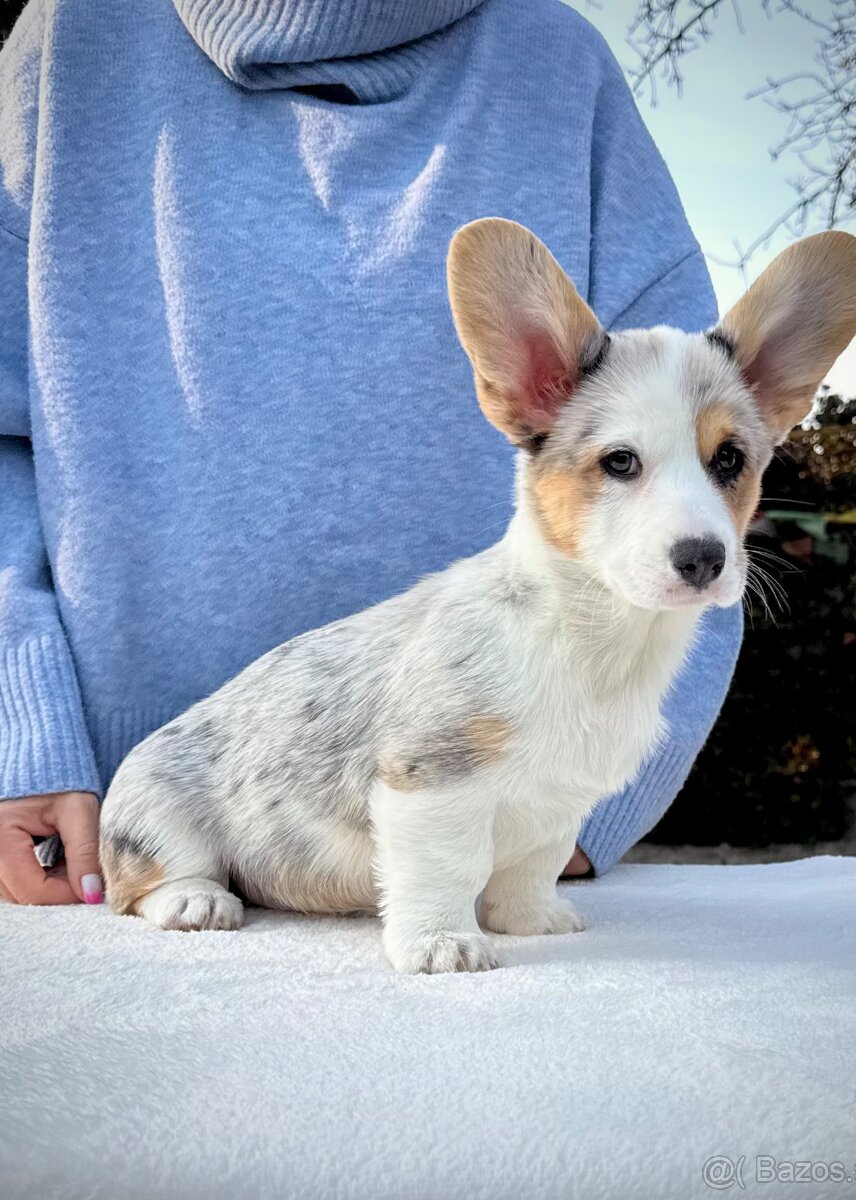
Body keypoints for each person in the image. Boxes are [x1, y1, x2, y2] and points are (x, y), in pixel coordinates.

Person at [0, 0, 741, 906]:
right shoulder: (71, 38)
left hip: (498, 816)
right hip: (128, 812)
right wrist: (22, 733)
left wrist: (576, 808)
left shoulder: (563, 66)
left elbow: (704, 450)